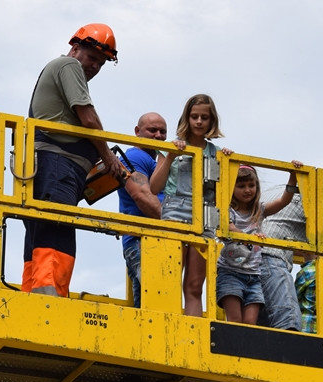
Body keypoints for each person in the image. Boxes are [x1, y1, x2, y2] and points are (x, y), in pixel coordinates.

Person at [23, 23, 126, 297]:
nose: (95, 66)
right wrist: (108, 157)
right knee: (57, 229)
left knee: (42, 230)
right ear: (75, 48)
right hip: (56, 165)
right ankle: (50, 298)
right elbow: (88, 119)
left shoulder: (62, 70)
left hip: (49, 167)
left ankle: (33, 295)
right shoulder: (69, 66)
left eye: (101, 63)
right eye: (92, 58)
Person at [150, 94, 233, 317]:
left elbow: (225, 195)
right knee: (169, 278)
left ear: (212, 120)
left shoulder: (215, 152)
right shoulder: (171, 147)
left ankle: (192, 329)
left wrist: (227, 163)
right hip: (175, 211)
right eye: (194, 116)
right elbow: (154, 187)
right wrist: (170, 156)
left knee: (195, 285)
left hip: (204, 216)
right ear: (186, 118)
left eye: (204, 117)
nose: (199, 121)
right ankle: (168, 326)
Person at [216, 164, 301, 324]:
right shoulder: (228, 210)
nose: (247, 190)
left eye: (251, 185)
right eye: (241, 186)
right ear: (231, 188)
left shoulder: (259, 211)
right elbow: (230, 228)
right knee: (235, 320)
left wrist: (293, 177)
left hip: (254, 275)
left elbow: (284, 201)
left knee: (250, 323)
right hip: (231, 272)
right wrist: (251, 237)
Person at [257, 190, 323, 331]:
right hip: (272, 258)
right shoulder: (313, 198)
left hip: (247, 260)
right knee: (288, 319)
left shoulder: (268, 194)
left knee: (262, 327)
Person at [117, 112, 168, 308]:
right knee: (157, 298)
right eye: (152, 130)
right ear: (137, 131)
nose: (158, 136)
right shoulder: (134, 156)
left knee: (147, 307)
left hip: (153, 241)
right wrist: (176, 226)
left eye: (163, 132)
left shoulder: (157, 163)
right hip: (143, 242)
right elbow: (142, 196)